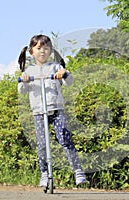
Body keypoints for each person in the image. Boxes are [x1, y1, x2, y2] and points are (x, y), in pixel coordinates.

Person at [17, 34, 87, 186]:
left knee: (65, 139)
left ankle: (78, 171)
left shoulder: (55, 67)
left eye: (46, 48)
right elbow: (22, 90)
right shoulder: (29, 70)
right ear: (31, 51)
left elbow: (69, 82)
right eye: (39, 48)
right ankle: (44, 173)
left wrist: (64, 74)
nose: (42, 51)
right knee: (42, 144)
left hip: (56, 109)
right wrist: (24, 81)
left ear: (51, 51)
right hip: (38, 112)